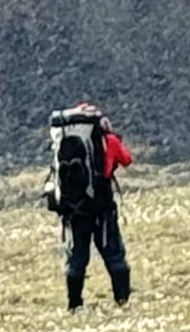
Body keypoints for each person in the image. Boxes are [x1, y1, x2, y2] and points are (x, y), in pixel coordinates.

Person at [44, 102, 133, 311]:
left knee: (76, 256)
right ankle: (122, 300)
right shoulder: (107, 140)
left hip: (73, 209)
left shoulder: (62, 140)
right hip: (101, 207)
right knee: (113, 253)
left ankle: (74, 304)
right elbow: (127, 160)